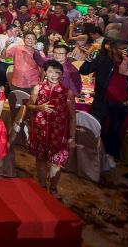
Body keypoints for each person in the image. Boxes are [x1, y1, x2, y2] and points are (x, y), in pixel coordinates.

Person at [79, 40, 128, 159]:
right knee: (95, 128)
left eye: (127, 49)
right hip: (101, 100)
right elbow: (84, 71)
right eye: (121, 49)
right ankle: (92, 156)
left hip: (122, 103)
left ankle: (110, 157)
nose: (124, 52)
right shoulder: (102, 60)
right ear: (112, 50)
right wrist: (90, 57)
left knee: (115, 131)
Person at [27, 60, 77, 199]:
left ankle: (54, 188)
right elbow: (29, 105)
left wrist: (72, 137)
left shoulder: (67, 93)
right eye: (50, 72)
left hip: (59, 134)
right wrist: (39, 107)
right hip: (40, 131)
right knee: (41, 159)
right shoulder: (38, 88)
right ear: (45, 72)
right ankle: (42, 186)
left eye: (57, 72)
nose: (54, 75)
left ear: (62, 74)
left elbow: (72, 117)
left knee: (57, 162)